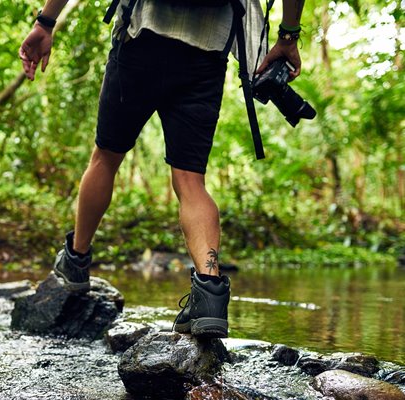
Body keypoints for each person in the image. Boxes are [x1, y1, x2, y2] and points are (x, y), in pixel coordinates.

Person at [19, 0, 305, 338]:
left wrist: (46, 22)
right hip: (207, 52)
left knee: (106, 158)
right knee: (191, 181)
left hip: (142, 40)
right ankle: (210, 293)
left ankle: (76, 261)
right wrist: (288, 35)